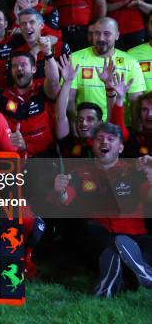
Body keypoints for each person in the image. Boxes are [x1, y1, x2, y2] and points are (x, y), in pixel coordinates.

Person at [54, 123, 152, 297]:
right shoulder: (80, 173)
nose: (104, 142)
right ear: (93, 145)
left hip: (136, 237)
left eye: (110, 139)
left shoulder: (134, 171)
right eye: (99, 139)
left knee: (135, 249)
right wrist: (60, 190)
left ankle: (111, 282)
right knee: (96, 235)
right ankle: (139, 272)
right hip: (100, 236)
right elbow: (66, 199)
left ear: (120, 147)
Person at [69, 18, 145, 125]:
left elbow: (135, 102)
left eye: (107, 34)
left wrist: (136, 131)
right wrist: (74, 129)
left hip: (118, 127)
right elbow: (69, 100)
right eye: (97, 33)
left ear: (117, 35)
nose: (101, 38)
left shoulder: (130, 62)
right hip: (86, 126)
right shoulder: (75, 58)